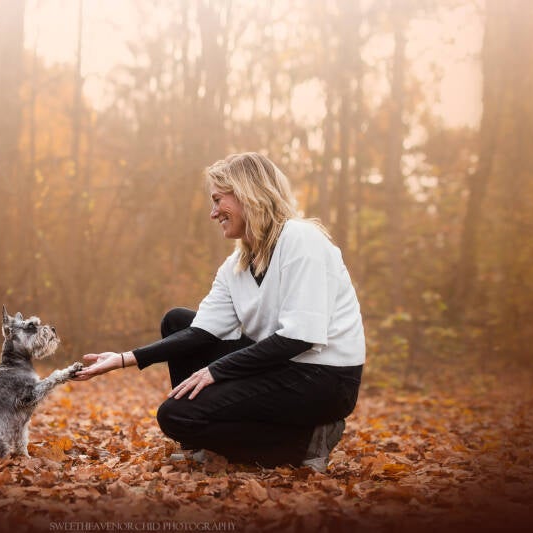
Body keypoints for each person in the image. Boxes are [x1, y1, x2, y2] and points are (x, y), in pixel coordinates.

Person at [73, 152, 365, 471]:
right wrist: (127, 358)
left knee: (174, 415)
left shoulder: (300, 240)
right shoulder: (235, 266)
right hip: (281, 365)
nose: (213, 214)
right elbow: (200, 333)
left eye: (218, 200)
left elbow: (299, 338)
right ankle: (210, 441)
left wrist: (217, 371)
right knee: (177, 320)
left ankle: (306, 441)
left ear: (247, 194)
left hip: (325, 379)